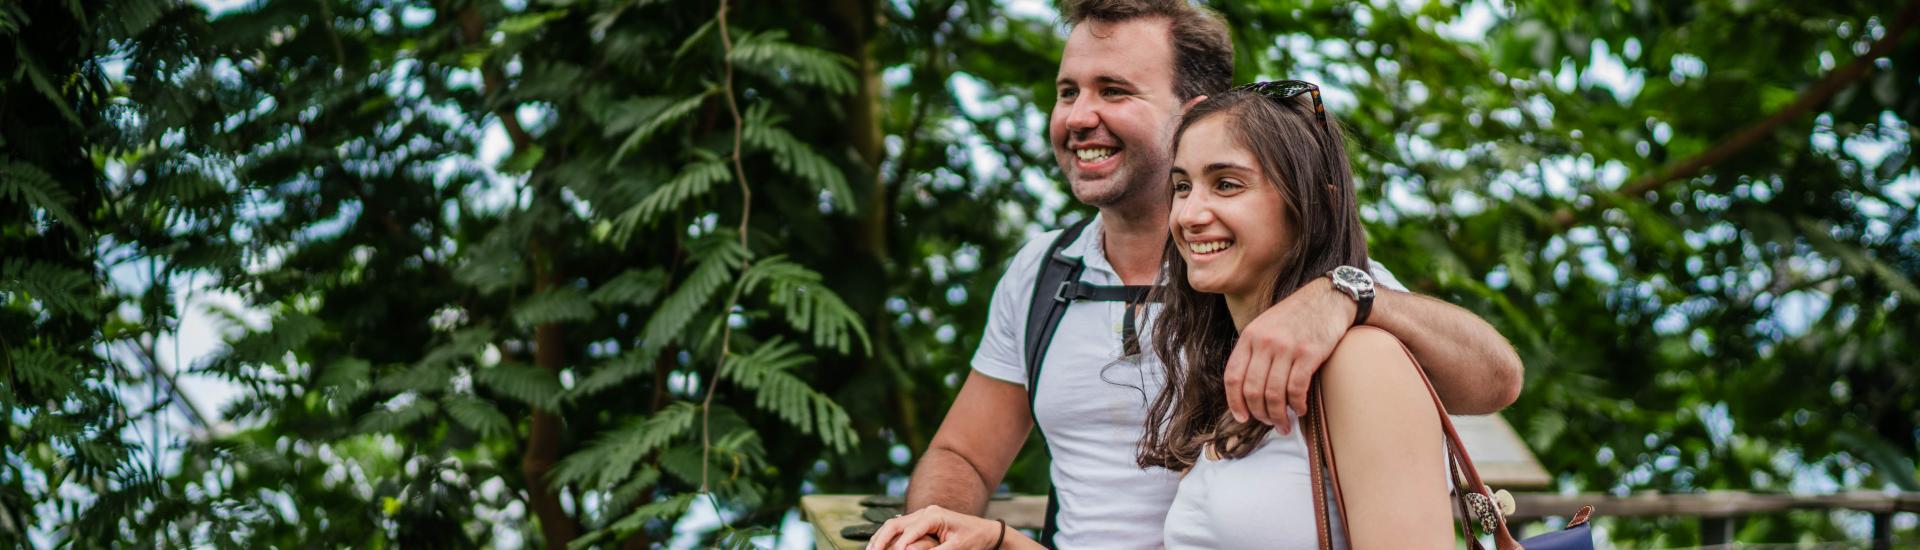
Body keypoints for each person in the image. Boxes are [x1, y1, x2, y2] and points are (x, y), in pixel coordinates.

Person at [868, 1, 1522, 548]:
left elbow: (1495, 378)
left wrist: (1348, 294)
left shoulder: (1325, 302)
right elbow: (962, 455)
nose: (1077, 116)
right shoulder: (1049, 274)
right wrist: (954, 536)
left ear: (1196, 113)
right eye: (1068, 91)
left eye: (1114, 90)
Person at [1141, 81, 1452, 548]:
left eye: (1226, 184)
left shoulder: (1362, 360)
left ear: (1309, 204)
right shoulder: (1239, 366)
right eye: (1183, 186)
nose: (1189, 214)